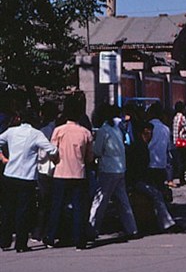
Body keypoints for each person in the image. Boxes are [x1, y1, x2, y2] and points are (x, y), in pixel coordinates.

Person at [0, 110, 58, 252]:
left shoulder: (11, 132)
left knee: (8, 209)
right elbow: (52, 150)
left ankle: (5, 241)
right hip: (27, 176)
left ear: (20, 118)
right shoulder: (36, 134)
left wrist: (2, 158)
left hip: (10, 173)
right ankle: (21, 244)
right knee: (23, 211)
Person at [46, 95, 94, 250]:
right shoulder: (86, 133)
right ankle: (80, 239)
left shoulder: (58, 131)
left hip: (60, 173)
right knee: (79, 207)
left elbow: (52, 152)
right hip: (79, 173)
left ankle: (51, 236)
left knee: (57, 206)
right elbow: (89, 157)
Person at [89, 104, 139, 240]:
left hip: (108, 169)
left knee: (99, 201)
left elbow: (97, 151)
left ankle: (92, 228)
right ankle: (132, 228)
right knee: (123, 200)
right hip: (120, 168)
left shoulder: (103, 131)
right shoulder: (117, 129)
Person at [126, 122, 178, 233]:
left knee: (158, 193)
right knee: (157, 194)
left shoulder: (142, 146)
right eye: (147, 133)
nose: (150, 135)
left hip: (139, 179)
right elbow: (138, 169)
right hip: (136, 181)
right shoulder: (139, 147)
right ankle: (167, 223)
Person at [32, 100, 59, 241]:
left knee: (44, 202)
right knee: (53, 201)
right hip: (57, 168)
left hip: (44, 168)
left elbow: (42, 154)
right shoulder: (57, 128)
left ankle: (39, 232)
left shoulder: (43, 131)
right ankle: (50, 230)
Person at [146, 102, 173, 194]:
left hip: (149, 162)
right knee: (160, 187)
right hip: (162, 163)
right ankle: (162, 206)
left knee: (150, 189)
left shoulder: (147, 127)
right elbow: (168, 147)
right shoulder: (166, 128)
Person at [172, 101, 186, 185]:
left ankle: (181, 178)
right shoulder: (182, 117)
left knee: (180, 160)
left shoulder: (175, 117)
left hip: (177, 141)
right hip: (183, 141)